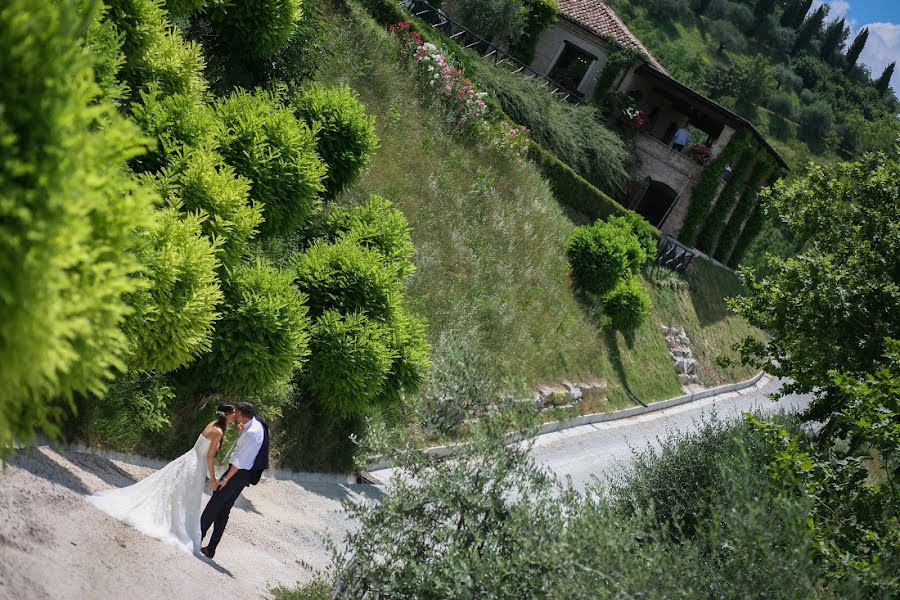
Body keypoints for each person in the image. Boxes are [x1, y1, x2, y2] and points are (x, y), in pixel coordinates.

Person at [87, 404, 236, 554]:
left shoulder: (212, 424)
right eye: (233, 414)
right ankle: (174, 525)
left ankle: (174, 520)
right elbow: (210, 456)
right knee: (185, 496)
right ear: (227, 415)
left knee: (177, 492)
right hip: (196, 466)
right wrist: (212, 478)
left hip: (189, 459)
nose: (234, 417)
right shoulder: (218, 431)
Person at [200, 401, 269, 560]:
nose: (233, 415)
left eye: (236, 413)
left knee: (214, 504)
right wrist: (242, 432)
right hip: (244, 474)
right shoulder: (256, 423)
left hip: (237, 473)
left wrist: (225, 478)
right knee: (224, 510)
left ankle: (196, 539)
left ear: (243, 417)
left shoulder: (251, 433)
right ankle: (211, 549)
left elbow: (240, 461)